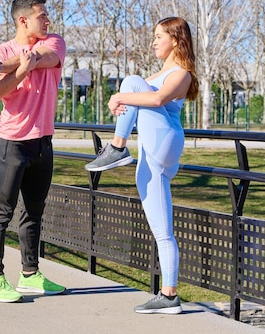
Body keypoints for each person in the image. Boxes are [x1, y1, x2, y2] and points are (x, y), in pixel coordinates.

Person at [85, 16, 199, 314]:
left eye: (159, 36)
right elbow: (141, 100)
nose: (153, 41)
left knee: (132, 82)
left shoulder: (182, 73)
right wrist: (122, 100)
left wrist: (121, 95)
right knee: (163, 230)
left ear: (175, 39)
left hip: (166, 140)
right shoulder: (159, 72)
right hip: (152, 153)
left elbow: (159, 98)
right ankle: (169, 295)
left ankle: (118, 148)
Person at [0, 0, 66, 303]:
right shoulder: (2, 49)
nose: (48, 20)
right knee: (1, 211)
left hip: (42, 142)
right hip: (11, 142)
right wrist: (16, 70)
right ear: (24, 20)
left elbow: (40, 59)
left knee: (34, 212)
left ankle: (30, 274)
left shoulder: (54, 43)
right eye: (42, 16)